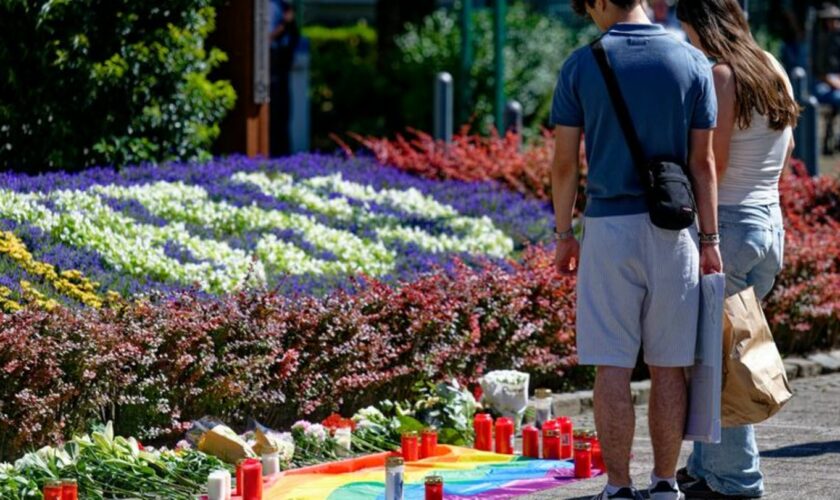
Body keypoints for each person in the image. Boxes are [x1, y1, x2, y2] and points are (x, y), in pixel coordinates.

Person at [551, 0, 721, 498]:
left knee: (613, 365)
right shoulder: (692, 61)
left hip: (607, 228)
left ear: (603, 2)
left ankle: (619, 487)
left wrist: (564, 235)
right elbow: (703, 163)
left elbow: (565, 164)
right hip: (675, 230)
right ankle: (665, 483)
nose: (590, 17)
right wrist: (710, 242)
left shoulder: (582, 64)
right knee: (669, 365)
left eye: (588, 8)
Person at [675, 0, 800, 497]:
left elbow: (714, 162)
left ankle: (737, 481)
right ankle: (707, 468)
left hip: (729, 227)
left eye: (687, 31)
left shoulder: (722, 76)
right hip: (768, 226)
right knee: (722, 352)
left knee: (720, 363)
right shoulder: (772, 66)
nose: (687, 41)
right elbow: (787, 151)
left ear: (703, 26)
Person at [269, 0, 300, 157]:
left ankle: (283, 154)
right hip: (270, 67)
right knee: (273, 115)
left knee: (283, 114)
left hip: (282, 69)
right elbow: (267, 38)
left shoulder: (283, 6)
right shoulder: (270, 6)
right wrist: (282, 26)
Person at [814, 4, 840, 111]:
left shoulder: (836, 39)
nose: (834, 23)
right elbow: (821, 75)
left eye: (836, 20)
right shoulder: (819, 43)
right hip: (821, 85)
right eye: (830, 20)